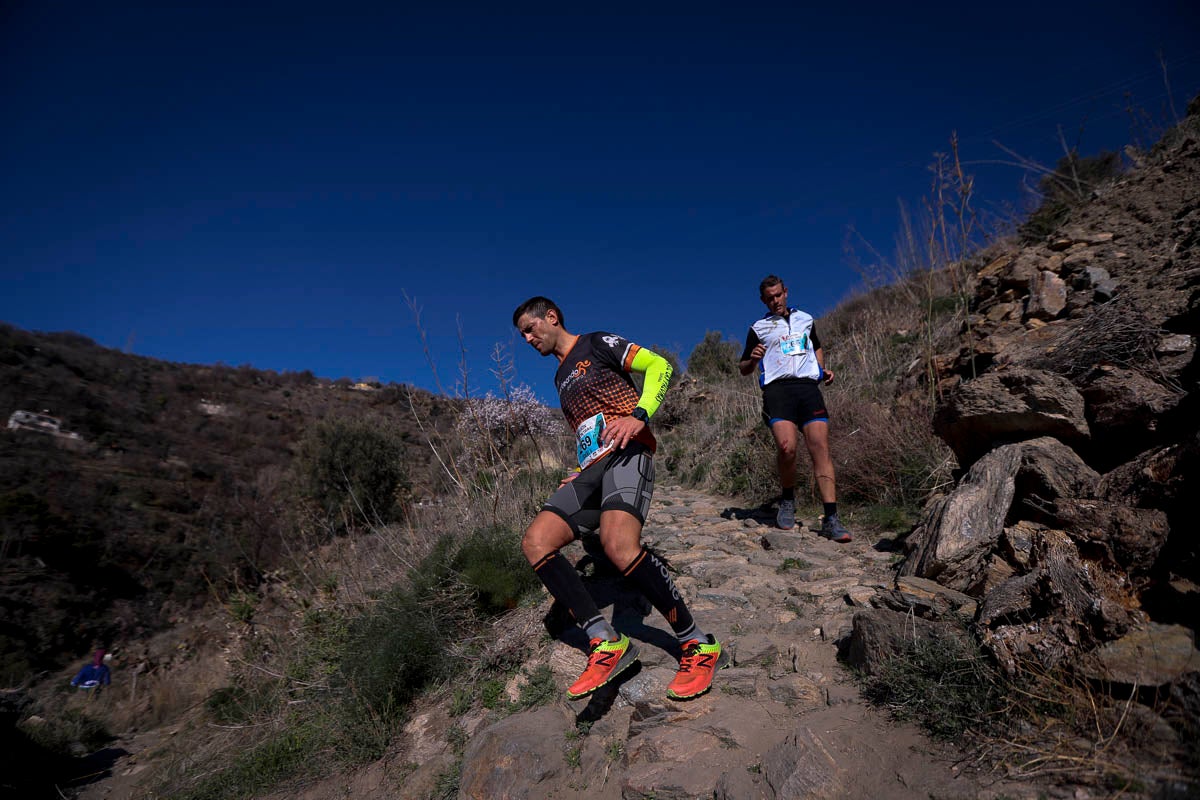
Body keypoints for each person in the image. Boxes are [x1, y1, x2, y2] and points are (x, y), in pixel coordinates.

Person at [513, 296, 725, 701]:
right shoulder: (560, 377)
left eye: (529, 328)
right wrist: (580, 466)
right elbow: (588, 429)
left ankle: (698, 644)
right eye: (522, 333)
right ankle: (605, 641)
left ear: (551, 317)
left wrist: (639, 415)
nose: (527, 338)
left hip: (629, 455)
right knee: (536, 542)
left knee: (618, 546)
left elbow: (658, 366)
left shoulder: (595, 343)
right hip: (592, 468)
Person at [738, 275, 852, 543]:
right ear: (763, 300)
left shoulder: (806, 320)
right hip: (778, 391)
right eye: (769, 298)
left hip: (808, 390)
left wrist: (821, 371)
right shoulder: (758, 328)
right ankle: (787, 500)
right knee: (787, 447)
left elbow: (817, 346)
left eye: (778, 295)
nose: (775, 301)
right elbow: (743, 368)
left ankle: (831, 518)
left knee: (820, 449)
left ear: (786, 292)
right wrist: (752, 361)